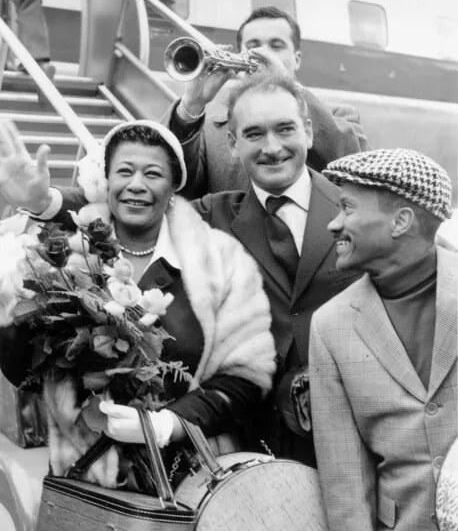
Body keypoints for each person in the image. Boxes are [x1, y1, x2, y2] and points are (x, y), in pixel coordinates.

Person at [0, 73, 362, 466]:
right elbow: (127, 209)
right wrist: (45, 201)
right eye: (254, 133)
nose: (271, 147)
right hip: (256, 431)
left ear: (308, 132)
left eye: (285, 129)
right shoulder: (212, 216)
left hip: (351, 415)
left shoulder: (359, 209)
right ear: (233, 143)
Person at [0, 119, 275, 490]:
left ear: (174, 186)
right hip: (84, 482)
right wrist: (13, 301)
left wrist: (169, 425)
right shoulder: (62, 257)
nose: (136, 185)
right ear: (106, 181)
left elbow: (246, 378)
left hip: (189, 481)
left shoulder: (222, 262)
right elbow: (22, 373)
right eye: (124, 171)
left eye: (153, 173)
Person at [308, 148, 457, 530]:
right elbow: (345, 481)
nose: (333, 224)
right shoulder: (330, 326)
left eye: (348, 208)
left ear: (400, 221)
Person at [162, 6, 370, 200]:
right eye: (253, 46)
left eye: (276, 46)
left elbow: (356, 170)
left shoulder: (340, 115)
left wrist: (289, 87)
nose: (264, 54)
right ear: (240, 54)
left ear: (297, 59)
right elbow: (177, 185)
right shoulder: (208, 126)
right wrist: (191, 104)